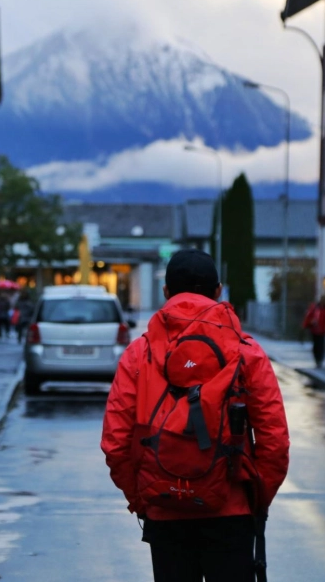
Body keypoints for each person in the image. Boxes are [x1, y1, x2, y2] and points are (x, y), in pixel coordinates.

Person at [102, 249, 290, 582]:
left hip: (163, 507)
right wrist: (255, 500)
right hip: (231, 509)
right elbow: (274, 442)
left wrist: (142, 499)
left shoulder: (139, 354)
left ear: (166, 292)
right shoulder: (247, 353)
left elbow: (116, 443)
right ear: (219, 291)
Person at [302, 295, 325, 368]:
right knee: (316, 346)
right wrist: (305, 325)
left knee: (322, 346)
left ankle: (320, 360)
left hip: (323, 330)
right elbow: (308, 316)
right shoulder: (315, 307)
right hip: (314, 329)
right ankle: (316, 359)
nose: (324, 302)